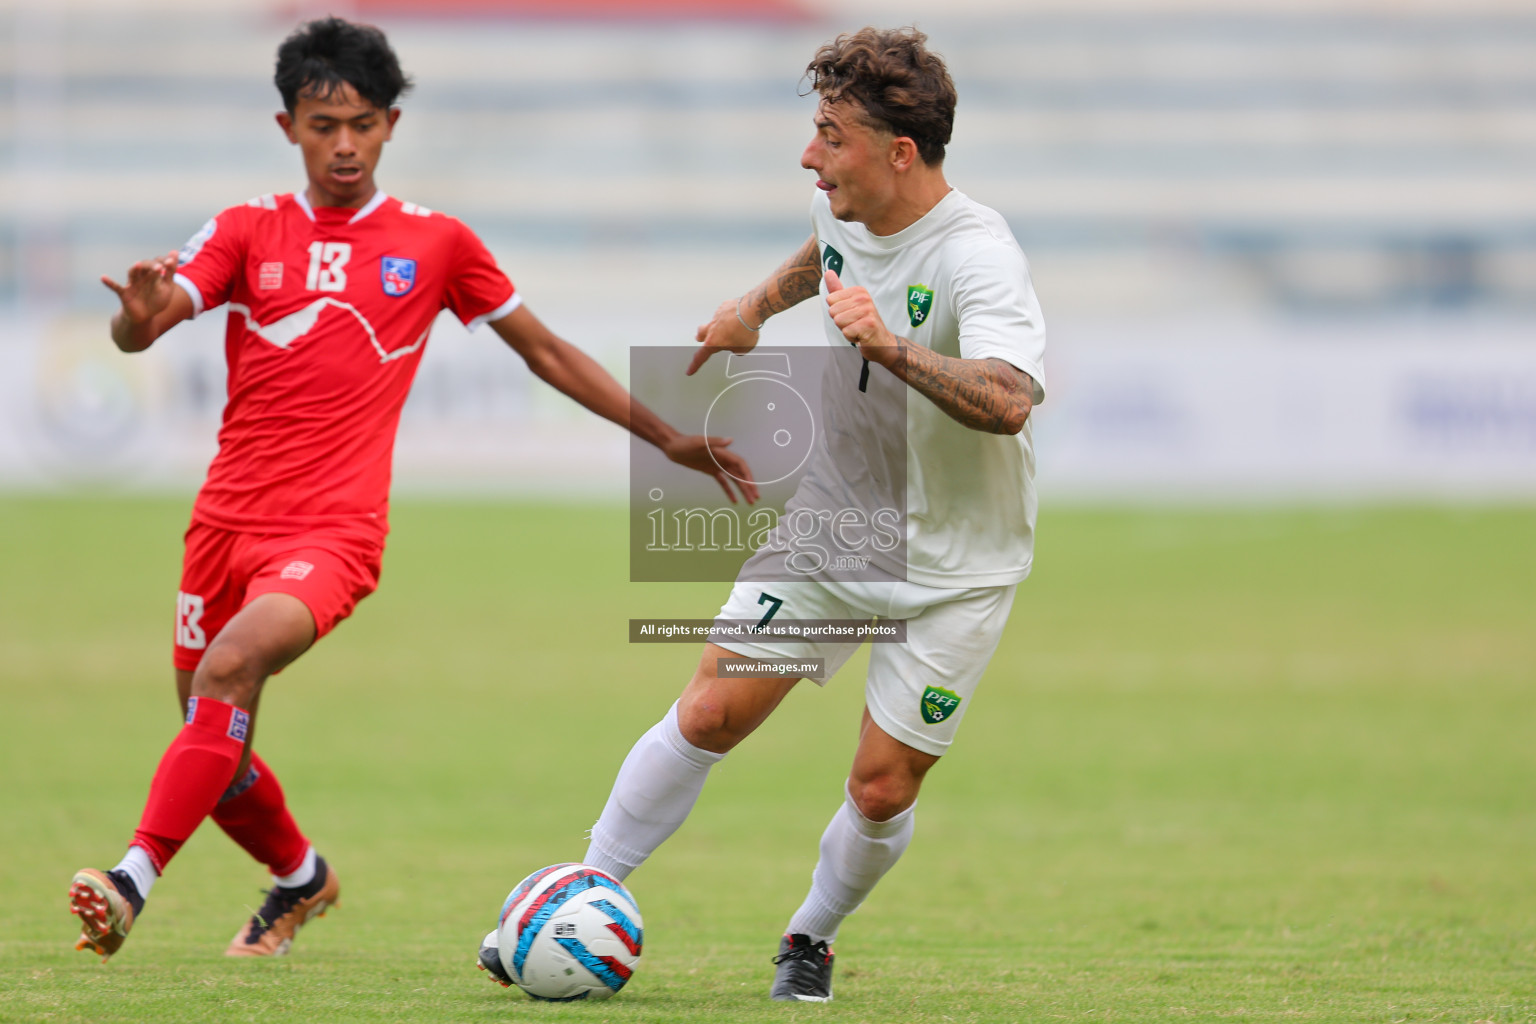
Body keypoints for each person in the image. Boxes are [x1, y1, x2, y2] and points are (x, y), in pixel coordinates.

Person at [69, 16, 755, 963]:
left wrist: (668, 435)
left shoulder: (435, 244)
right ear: (288, 128)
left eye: (360, 124)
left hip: (333, 533)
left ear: (391, 123)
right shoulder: (243, 230)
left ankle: (128, 880)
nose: (342, 144)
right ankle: (302, 877)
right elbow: (151, 320)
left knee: (230, 671)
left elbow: (546, 351)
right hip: (221, 524)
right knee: (213, 744)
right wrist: (134, 325)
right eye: (321, 125)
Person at [479, 25, 1046, 1003]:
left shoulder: (978, 257)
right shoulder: (847, 208)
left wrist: (899, 351)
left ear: (899, 152)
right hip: (836, 529)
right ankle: (583, 889)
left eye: (830, 136)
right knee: (707, 709)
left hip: (960, 565)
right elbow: (823, 251)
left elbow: (1012, 400)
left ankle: (811, 934)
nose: (808, 156)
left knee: (882, 786)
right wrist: (756, 304)